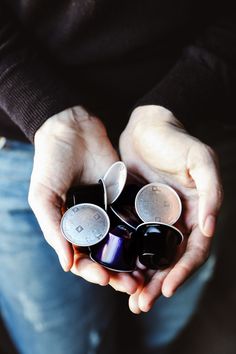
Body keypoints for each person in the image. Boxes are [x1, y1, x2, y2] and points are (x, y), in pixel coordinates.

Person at [0, 1, 235, 353]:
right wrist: (46, 112)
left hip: (188, 142)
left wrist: (179, 99)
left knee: (167, 315)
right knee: (63, 342)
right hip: (30, 139)